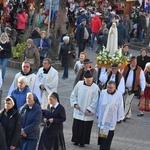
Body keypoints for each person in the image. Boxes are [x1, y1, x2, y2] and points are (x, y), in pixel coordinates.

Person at [70, 70, 99, 147]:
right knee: (77, 126)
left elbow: (95, 100)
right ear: (84, 79)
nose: (89, 82)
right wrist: (75, 104)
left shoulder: (95, 88)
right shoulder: (79, 84)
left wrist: (89, 109)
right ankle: (76, 140)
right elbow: (73, 95)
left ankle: (83, 141)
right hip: (78, 110)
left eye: (90, 80)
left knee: (85, 127)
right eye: (87, 80)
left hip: (88, 112)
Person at [97, 81, 124, 150]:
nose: (109, 89)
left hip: (112, 118)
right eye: (108, 87)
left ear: (115, 87)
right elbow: (99, 104)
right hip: (103, 117)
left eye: (111, 88)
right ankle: (102, 147)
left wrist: (119, 118)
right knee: (102, 134)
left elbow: (120, 107)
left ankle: (107, 147)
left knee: (109, 134)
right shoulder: (103, 92)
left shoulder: (119, 95)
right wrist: (98, 114)